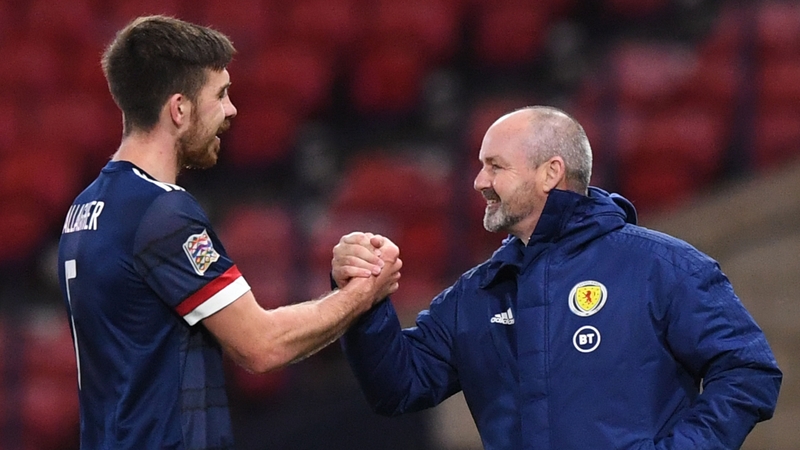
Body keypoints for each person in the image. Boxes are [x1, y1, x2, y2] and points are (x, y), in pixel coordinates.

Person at [332, 106, 782, 450]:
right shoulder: (477, 293)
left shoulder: (663, 268)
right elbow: (399, 386)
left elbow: (748, 370)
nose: (477, 181)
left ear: (551, 172)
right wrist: (362, 298)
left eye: (495, 166)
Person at [56, 16, 401, 449]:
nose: (232, 110)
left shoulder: (84, 208)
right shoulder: (159, 211)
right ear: (179, 109)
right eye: (220, 95)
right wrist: (362, 293)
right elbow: (261, 345)